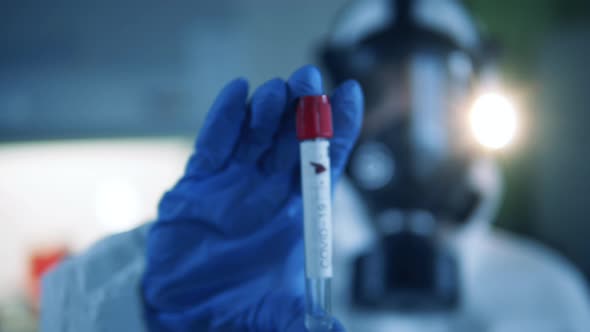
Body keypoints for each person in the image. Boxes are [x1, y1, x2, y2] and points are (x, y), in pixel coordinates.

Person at [41, 0, 590, 331]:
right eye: (382, 89)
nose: (409, 119)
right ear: (337, 104)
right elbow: (66, 312)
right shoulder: (253, 263)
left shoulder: (549, 293)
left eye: (438, 94)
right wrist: (144, 319)